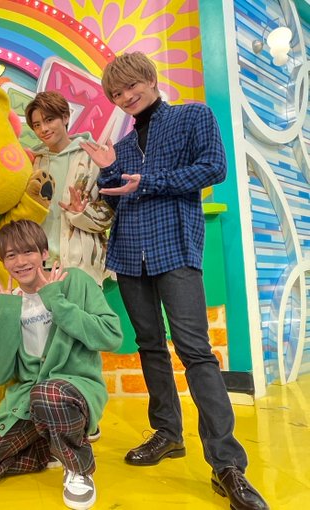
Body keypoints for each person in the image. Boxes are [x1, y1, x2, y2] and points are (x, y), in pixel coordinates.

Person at [81, 52, 268, 510]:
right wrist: (106, 174)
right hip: (129, 255)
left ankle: (227, 465)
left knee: (196, 352)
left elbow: (213, 168)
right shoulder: (122, 145)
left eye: (131, 86)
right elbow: (118, 199)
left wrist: (146, 182)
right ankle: (168, 433)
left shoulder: (192, 116)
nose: (126, 96)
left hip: (176, 249)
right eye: (117, 93)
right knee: (149, 346)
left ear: (150, 78)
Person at [0, 220, 122, 510]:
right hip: (29, 401)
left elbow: (111, 336)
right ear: (4, 262)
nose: (20, 262)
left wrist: (57, 302)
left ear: (44, 253)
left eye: (28, 252)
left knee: (48, 392)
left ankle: (78, 468)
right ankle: (53, 445)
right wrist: (7, 315)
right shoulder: (9, 304)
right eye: (11, 255)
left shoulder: (73, 281)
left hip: (72, 390)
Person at [25, 91, 114, 286]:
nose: (43, 129)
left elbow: (110, 213)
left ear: (65, 117)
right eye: (37, 125)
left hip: (81, 262)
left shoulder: (94, 157)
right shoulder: (32, 162)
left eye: (49, 120)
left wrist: (82, 212)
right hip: (39, 264)